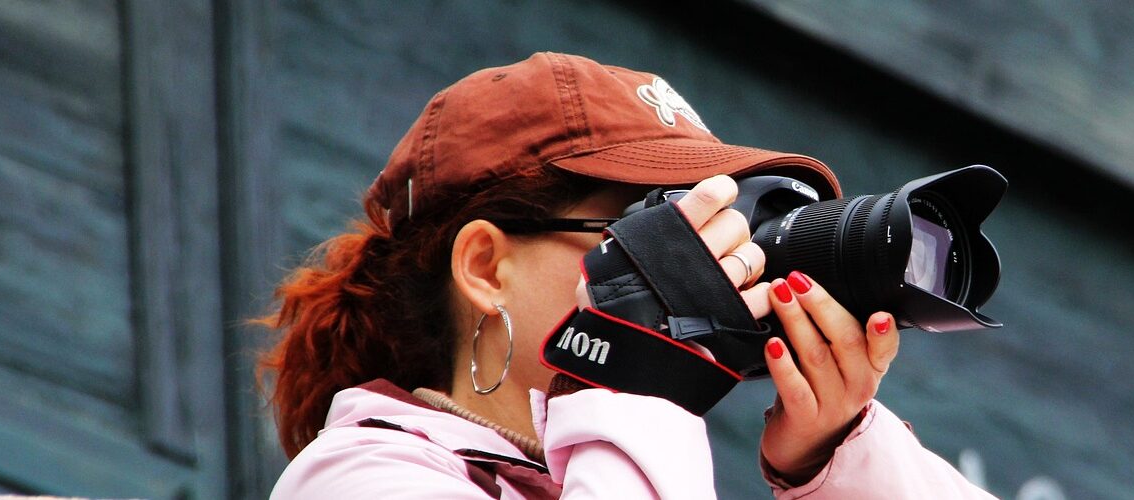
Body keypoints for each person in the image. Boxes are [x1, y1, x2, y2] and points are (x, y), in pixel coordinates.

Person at [260, 52, 992, 498]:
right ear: (485, 267)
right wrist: (637, 379)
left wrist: (836, 458)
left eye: (710, 229)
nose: (699, 264)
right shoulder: (360, 478)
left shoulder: (640, 467)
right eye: (648, 231)